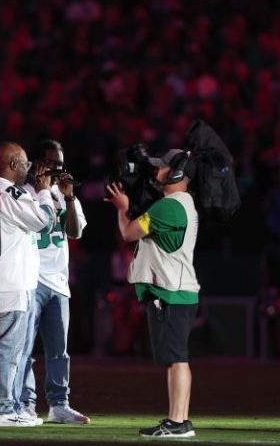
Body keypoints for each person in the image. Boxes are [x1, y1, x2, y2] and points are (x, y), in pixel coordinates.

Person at [105, 149, 199, 438]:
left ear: (178, 172)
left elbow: (130, 233)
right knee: (176, 358)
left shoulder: (170, 206)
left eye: (163, 168)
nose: (157, 172)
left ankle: (178, 422)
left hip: (171, 291)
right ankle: (179, 420)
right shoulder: (180, 203)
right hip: (177, 290)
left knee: (176, 359)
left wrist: (122, 208)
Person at [0, 142, 54, 427]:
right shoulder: (11, 193)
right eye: (25, 163)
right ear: (13, 164)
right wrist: (43, 192)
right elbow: (46, 222)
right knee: (6, 350)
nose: (28, 169)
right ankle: (2, 409)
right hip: (9, 282)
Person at [13, 139, 90, 424]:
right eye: (51, 164)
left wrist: (68, 198)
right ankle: (25, 404)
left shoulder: (65, 194)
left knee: (59, 350)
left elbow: (75, 232)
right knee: (25, 348)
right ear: (37, 164)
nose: (57, 170)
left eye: (60, 164)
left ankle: (59, 405)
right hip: (30, 279)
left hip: (58, 282)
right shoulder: (23, 192)